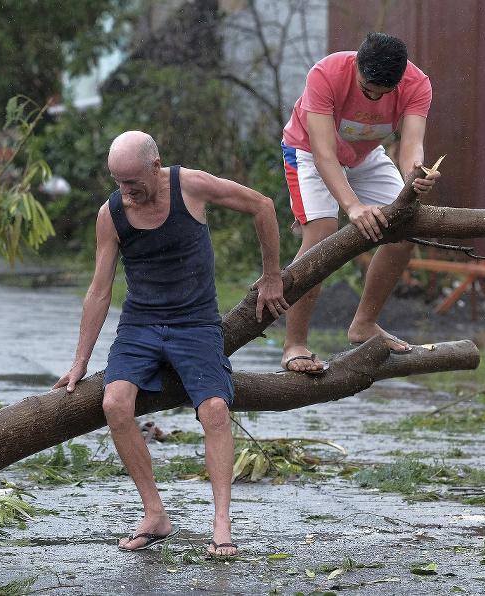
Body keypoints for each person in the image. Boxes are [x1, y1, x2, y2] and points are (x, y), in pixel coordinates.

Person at [53, 131, 288, 557]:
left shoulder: (191, 186)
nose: (126, 192)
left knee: (215, 408)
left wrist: (273, 275)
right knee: (114, 403)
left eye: (133, 182)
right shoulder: (111, 213)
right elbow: (100, 290)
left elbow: (262, 205)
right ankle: (155, 513)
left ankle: (221, 521)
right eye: (118, 183)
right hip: (140, 324)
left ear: (156, 167)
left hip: (195, 323)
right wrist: (79, 361)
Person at [279, 32, 441, 374]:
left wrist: (416, 176)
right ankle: (294, 344)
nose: (373, 98)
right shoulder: (325, 74)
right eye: (367, 89)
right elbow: (324, 154)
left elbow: (411, 147)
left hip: (365, 156)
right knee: (322, 231)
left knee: (403, 230)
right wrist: (352, 206)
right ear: (356, 65)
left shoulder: (418, 84)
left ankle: (363, 325)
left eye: (383, 94)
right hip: (308, 152)